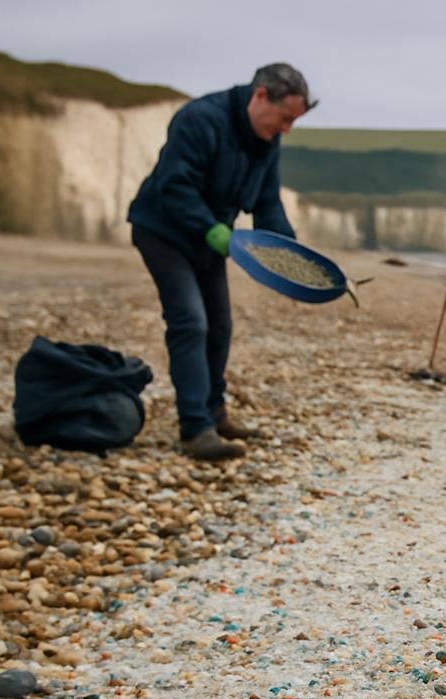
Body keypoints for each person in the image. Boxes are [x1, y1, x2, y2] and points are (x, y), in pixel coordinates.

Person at [127, 63, 314, 461]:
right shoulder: (199, 120)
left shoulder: (266, 139)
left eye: (294, 121)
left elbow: (266, 203)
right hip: (163, 231)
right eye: (285, 118)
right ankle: (195, 429)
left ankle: (214, 413)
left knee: (220, 326)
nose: (287, 129)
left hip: (211, 240)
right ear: (260, 95)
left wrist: (291, 254)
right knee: (190, 322)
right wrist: (213, 231)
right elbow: (175, 185)